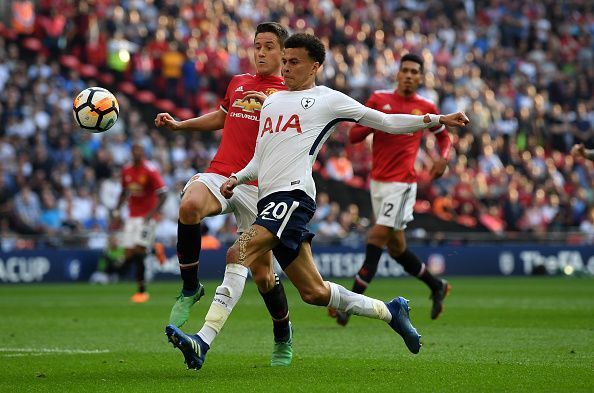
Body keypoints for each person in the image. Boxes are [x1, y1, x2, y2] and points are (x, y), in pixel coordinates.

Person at [165, 33, 469, 371]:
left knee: (238, 253)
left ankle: (202, 341)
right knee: (314, 292)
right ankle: (390, 311)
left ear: (316, 66)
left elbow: (385, 121)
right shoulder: (272, 102)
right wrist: (238, 177)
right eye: (285, 62)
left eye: (294, 62)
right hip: (268, 199)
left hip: (293, 196)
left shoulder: (328, 100)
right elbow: (261, 156)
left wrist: (436, 120)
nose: (287, 68)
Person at [155, 22, 295, 366]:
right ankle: (190, 287)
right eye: (257, 45)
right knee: (189, 206)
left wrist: (273, 107)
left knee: (264, 276)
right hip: (221, 173)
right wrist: (180, 125)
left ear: (283, 53)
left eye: (268, 47)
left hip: (258, 189)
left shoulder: (290, 94)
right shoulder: (239, 82)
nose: (260, 52)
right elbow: (222, 116)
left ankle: (283, 333)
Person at [329, 53, 453, 326]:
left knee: (375, 238)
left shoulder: (425, 106)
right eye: (405, 70)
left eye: (414, 72)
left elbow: (444, 136)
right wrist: (374, 121)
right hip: (378, 183)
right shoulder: (379, 99)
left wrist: (443, 158)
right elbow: (353, 136)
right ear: (397, 74)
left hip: (403, 184)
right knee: (397, 248)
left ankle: (348, 304)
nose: (409, 75)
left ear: (420, 77)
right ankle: (436, 285)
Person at [111, 143, 167, 303]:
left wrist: (151, 214)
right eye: (134, 150)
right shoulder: (126, 170)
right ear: (131, 152)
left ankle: (141, 292)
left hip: (146, 218)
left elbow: (164, 194)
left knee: (138, 250)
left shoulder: (150, 170)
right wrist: (116, 210)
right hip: (132, 216)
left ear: (143, 153)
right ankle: (155, 251)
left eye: (139, 151)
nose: (137, 153)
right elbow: (124, 192)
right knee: (128, 254)